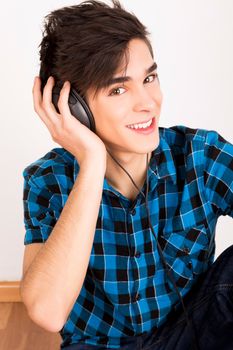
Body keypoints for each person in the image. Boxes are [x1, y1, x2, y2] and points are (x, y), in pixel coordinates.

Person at [20, 0, 233, 349]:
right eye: (119, 89)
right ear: (75, 108)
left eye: (149, 78)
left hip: (193, 336)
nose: (147, 102)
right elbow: (47, 311)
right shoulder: (48, 180)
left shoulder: (199, 154)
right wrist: (92, 162)